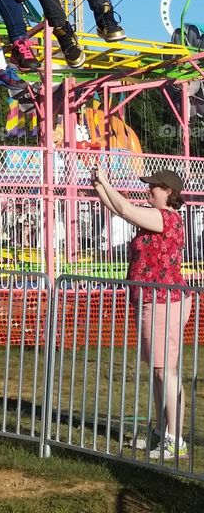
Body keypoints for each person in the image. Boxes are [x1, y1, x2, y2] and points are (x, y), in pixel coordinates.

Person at [91, 165, 191, 461]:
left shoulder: (167, 218)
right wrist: (99, 185)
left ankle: (174, 439)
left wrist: (106, 183)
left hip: (164, 301)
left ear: (168, 193)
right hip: (154, 300)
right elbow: (117, 207)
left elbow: (123, 208)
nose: (149, 190)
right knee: (161, 372)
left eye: (154, 187)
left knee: (165, 371)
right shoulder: (158, 217)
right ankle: (164, 432)